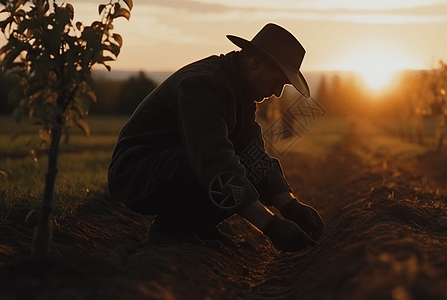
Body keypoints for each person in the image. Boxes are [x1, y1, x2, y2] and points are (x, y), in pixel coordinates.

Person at [107, 23, 324, 252]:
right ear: (256, 63)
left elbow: (254, 157)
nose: (278, 92)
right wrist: (271, 226)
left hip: (172, 165)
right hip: (136, 172)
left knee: (243, 164)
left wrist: (290, 205)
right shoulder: (204, 84)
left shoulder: (243, 95)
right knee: (220, 167)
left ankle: (198, 225)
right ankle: (171, 230)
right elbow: (213, 161)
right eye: (277, 81)